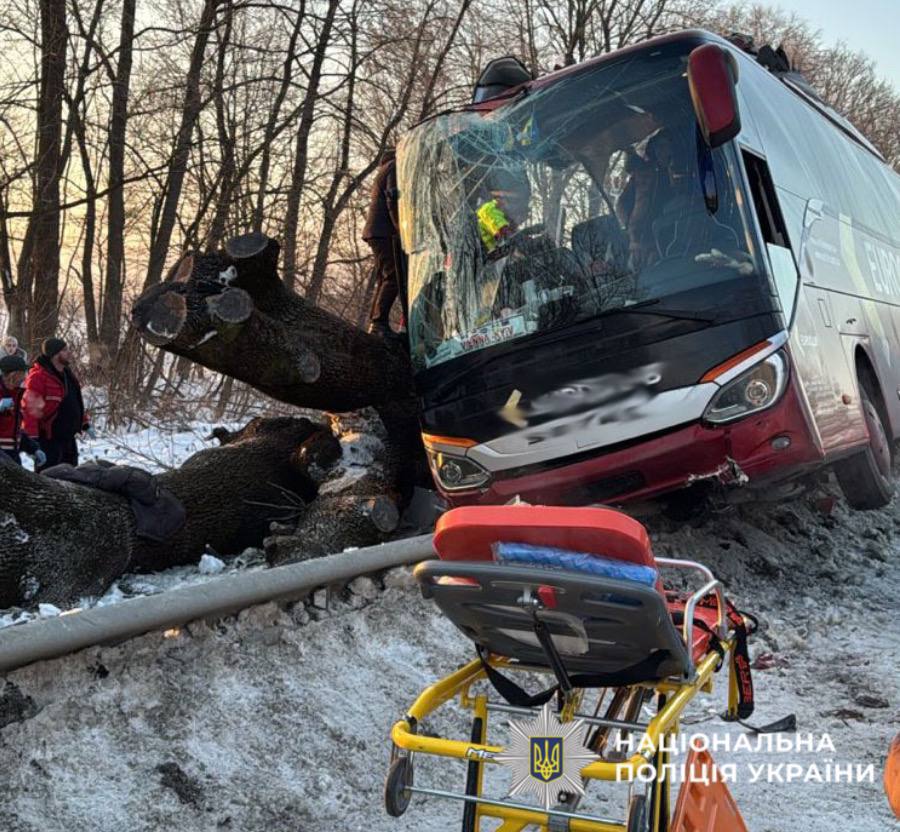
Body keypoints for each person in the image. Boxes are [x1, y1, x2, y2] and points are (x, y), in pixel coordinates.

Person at [22, 338, 92, 472]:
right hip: (49, 441)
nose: (69, 353)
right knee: (49, 480)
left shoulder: (68, 374)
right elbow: (30, 410)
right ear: (54, 354)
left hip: (69, 440)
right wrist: (33, 441)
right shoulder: (38, 377)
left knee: (72, 479)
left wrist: (84, 423)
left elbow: (74, 402)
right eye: (64, 350)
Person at [363, 148, 403, 337]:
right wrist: (400, 228)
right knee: (394, 276)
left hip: (375, 232)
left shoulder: (383, 169)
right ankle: (379, 323)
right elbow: (392, 198)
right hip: (384, 231)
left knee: (384, 278)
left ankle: (375, 322)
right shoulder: (393, 167)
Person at [0, 355, 45, 467]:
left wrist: (33, 449)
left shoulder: (15, 394)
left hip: (12, 458)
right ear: (12, 375)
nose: (25, 377)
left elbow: (15, 430)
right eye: (22, 373)